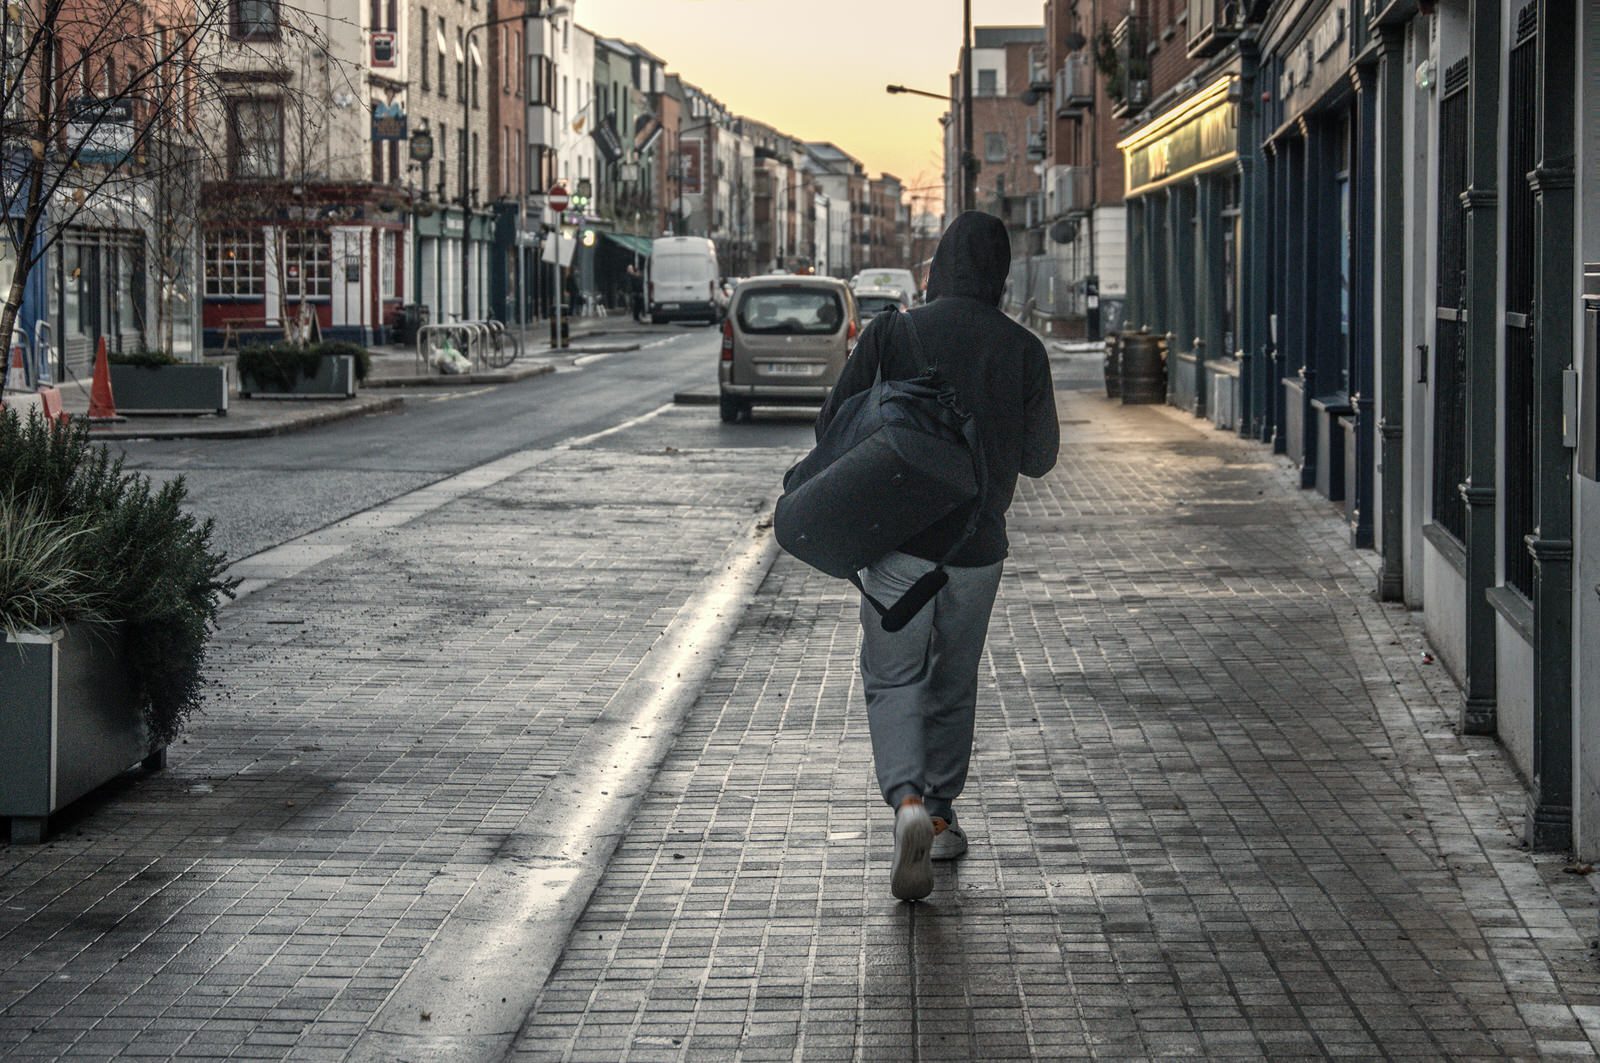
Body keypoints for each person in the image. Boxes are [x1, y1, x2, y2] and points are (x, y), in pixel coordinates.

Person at [815, 211, 1059, 902]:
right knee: (954, 677)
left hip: (900, 541)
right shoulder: (1023, 349)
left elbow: (832, 423)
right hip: (978, 549)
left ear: (938, 265)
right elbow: (1040, 460)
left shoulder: (895, 332)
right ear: (1002, 275)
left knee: (892, 678)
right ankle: (945, 815)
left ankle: (907, 805)